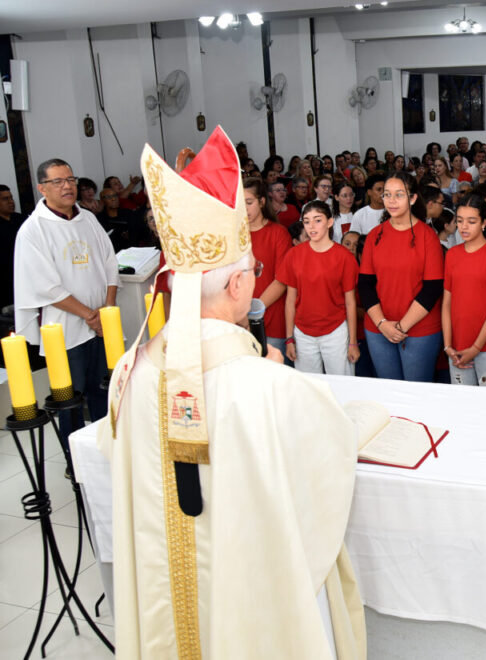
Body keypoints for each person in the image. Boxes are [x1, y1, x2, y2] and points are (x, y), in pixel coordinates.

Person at [100, 129, 366, 658]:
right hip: (247, 592)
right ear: (240, 286)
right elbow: (327, 459)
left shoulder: (128, 370)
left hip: (164, 584)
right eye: (253, 273)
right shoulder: (266, 384)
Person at [14, 159, 119, 444]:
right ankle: (75, 459)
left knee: (103, 390)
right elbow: (45, 286)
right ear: (42, 188)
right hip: (65, 330)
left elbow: (110, 263)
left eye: (71, 180)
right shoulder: (33, 229)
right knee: (71, 398)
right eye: (58, 181)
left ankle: (103, 448)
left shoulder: (88, 218)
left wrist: (107, 310)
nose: (67, 186)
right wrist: (90, 315)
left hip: (100, 325)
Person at [358, 172, 444, 382]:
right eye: (387, 194)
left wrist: (401, 327)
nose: (392, 201)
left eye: (399, 195)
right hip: (379, 328)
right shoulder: (374, 235)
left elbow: (432, 288)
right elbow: (365, 284)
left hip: (419, 329)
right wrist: (382, 324)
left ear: (413, 198)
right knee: (389, 394)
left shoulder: (428, 237)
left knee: (416, 394)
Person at [280, 201, 360, 375]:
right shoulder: (294, 255)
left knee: (342, 387)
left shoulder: (344, 257)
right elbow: (290, 300)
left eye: (317, 220)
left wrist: (352, 342)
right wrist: (289, 339)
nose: (311, 226)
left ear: (329, 222)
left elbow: (350, 303)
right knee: (309, 388)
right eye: (307, 221)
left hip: (335, 332)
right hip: (302, 333)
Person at [442, 194, 486, 387]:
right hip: (456, 346)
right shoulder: (452, 255)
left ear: (484, 223)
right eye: (460, 221)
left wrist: (476, 347)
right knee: (461, 407)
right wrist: (447, 345)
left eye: (471, 221)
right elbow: (447, 303)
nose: (464, 227)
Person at [243, 178, 292, 357]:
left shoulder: (278, 233)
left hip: (272, 318)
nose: (244, 209)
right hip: (240, 319)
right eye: (240, 204)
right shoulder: (235, 235)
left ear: (262, 201)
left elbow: (282, 279)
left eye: (249, 202)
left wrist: (254, 313)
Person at [0, 184, 26, 312]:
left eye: (11, 198)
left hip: (25, 273)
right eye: (5, 199)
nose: (11, 202)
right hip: (5, 278)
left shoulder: (21, 219)